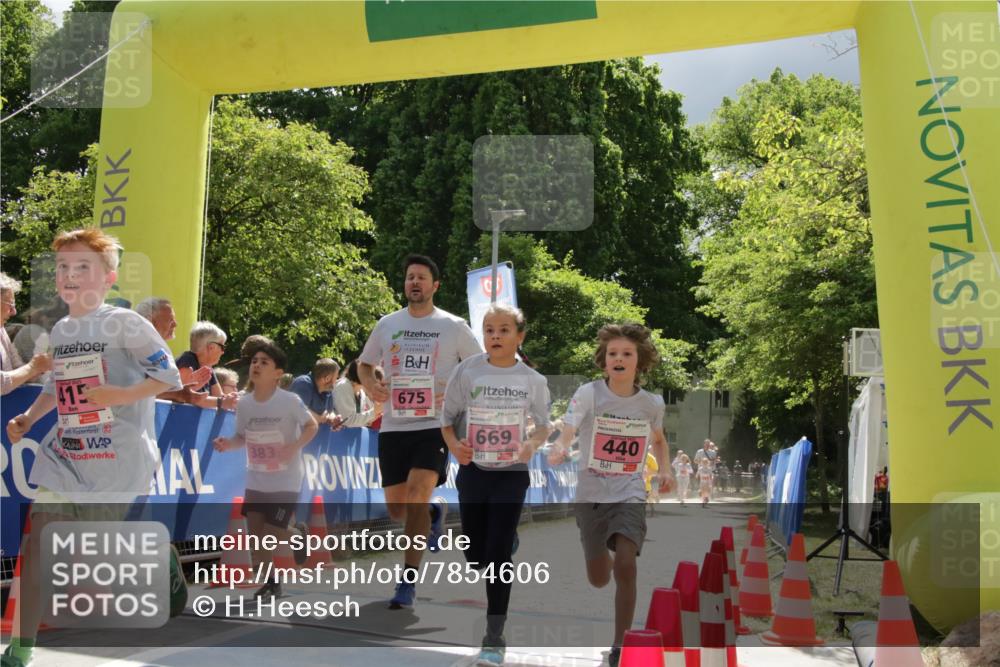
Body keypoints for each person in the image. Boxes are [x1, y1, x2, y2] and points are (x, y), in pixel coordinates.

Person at [3, 228, 183, 667]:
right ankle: (19, 650)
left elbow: (169, 378)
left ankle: (159, 557)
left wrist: (117, 397)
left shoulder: (125, 323)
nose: (69, 275)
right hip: (67, 455)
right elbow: (58, 387)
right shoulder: (61, 331)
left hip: (117, 457)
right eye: (62, 267)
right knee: (38, 547)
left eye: (82, 266)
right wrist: (30, 418)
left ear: (109, 277)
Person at [358, 253, 483, 609]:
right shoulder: (387, 324)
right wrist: (371, 386)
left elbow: (478, 368)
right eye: (410, 277)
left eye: (422, 278)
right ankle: (432, 514)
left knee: (415, 492)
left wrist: (457, 393)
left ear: (435, 285)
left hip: (434, 425)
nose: (415, 282)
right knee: (398, 510)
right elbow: (364, 365)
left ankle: (406, 583)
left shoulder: (453, 326)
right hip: (395, 426)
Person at [547, 323, 674, 667]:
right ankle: (600, 546)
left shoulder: (651, 404)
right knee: (599, 579)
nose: (618, 359)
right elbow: (569, 428)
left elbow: (660, 441)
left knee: (626, 565)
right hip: (591, 495)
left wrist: (665, 469)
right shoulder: (589, 393)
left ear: (640, 361)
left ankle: (621, 644)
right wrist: (560, 448)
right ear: (604, 362)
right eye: (612, 354)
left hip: (629, 492)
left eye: (626, 354)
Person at [441, 303, 551, 666]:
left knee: (497, 557)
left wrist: (529, 445)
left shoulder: (533, 381)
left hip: (511, 474)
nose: (495, 336)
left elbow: (543, 426)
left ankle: (494, 633)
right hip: (474, 471)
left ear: (519, 336)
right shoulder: (467, 371)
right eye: (489, 330)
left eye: (504, 330)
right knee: (476, 557)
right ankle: (502, 541)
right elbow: (447, 419)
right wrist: (456, 447)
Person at [213, 342, 318, 598]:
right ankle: (272, 581)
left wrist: (293, 446)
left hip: (286, 478)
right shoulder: (245, 403)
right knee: (257, 537)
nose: (256, 365)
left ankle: (295, 535)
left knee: (274, 532)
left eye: (264, 362)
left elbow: (312, 426)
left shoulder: (290, 400)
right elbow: (241, 436)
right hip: (258, 477)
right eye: (254, 361)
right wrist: (228, 444)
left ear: (278, 373)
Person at [1, 272, 51, 396]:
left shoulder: (1, 330)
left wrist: (40, 367)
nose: (14, 312)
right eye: (10, 304)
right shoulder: (36, 331)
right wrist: (33, 367)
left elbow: (17, 366)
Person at [175, 321, 238, 411]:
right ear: (211, 347)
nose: (223, 352)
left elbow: (219, 396)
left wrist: (233, 398)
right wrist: (222, 402)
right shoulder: (187, 360)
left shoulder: (208, 367)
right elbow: (186, 396)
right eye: (222, 347)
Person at [289, 358, 343, 428]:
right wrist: (319, 418)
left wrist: (334, 420)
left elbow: (329, 412)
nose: (336, 381)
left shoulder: (328, 391)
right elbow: (297, 410)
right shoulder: (303, 383)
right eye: (336, 378)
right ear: (327, 378)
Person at [333, 360, 376, 428]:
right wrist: (375, 412)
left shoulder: (361, 392)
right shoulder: (343, 386)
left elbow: (364, 422)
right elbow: (348, 421)